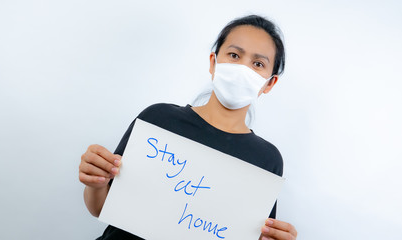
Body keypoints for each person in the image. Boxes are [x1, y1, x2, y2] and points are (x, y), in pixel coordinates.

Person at [79, 14, 298, 240]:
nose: (243, 69)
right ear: (213, 63)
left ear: (269, 83)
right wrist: (95, 182)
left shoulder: (266, 159)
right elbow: (102, 207)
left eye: (258, 64)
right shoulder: (158, 119)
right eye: (234, 55)